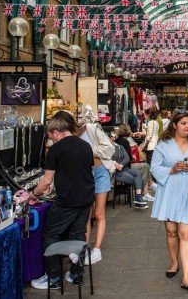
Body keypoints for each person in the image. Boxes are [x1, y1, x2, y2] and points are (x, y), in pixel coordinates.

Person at [30, 112, 95, 289]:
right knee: (78, 234)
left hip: (68, 201)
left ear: (57, 132)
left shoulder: (56, 150)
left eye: (51, 137)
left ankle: (53, 277)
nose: (51, 140)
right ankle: (75, 273)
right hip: (86, 198)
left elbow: (46, 181)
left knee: (50, 234)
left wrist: (33, 195)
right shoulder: (85, 146)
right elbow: (81, 171)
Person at [150, 110, 188, 291]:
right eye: (183, 123)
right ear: (174, 125)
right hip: (169, 192)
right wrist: (171, 171)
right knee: (172, 232)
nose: (187, 126)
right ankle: (175, 262)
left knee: (186, 234)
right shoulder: (163, 145)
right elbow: (154, 168)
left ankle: (186, 277)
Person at [76, 114, 115, 265]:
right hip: (83, 173)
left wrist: (87, 150)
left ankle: (97, 250)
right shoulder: (69, 135)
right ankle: (84, 249)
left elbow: (109, 148)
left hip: (99, 172)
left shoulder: (91, 128)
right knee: (85, 214)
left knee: (99, 214)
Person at [115, 125, 154, 201]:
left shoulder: (117, 140)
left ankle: (148, 187)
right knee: (145, 166)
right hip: (126, 166)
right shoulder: (127, 141)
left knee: (142, 168)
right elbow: (128, 158)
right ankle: (146, 192)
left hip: (120, 166)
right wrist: (133, 158)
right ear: (128, 131)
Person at [112, 133, 148, 209]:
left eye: (113, 137)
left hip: (124, 168)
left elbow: (127, 158)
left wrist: (121, 165)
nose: (113, 139)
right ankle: (138, 201)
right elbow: (107, 158)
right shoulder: (107, 148)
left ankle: (138, 197)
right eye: (111, 137)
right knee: (133, 178)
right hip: (116, 172)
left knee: (138, 173)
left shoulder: (119, 147)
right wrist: (114, 163)